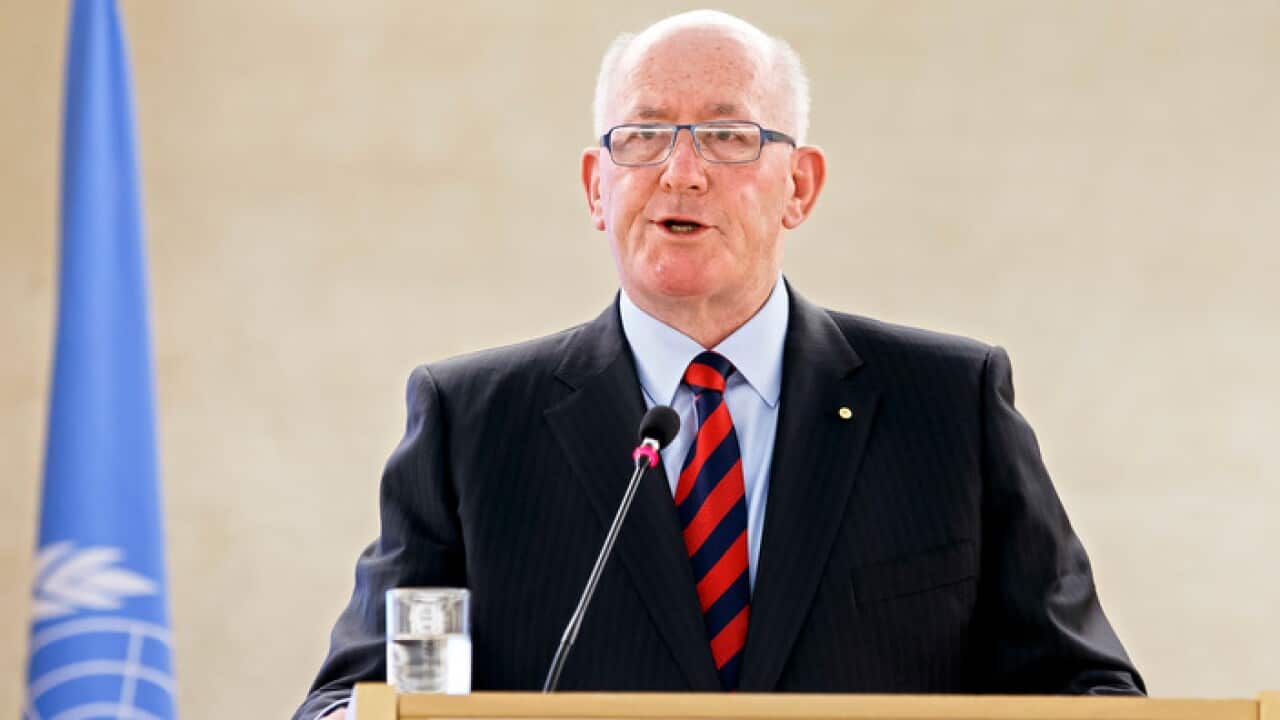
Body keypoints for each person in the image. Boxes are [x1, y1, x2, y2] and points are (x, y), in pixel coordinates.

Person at [294, 10, 1144, 720]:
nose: (682, 171)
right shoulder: (472, 422)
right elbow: (352, 700)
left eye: (729, 136)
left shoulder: (948, 407)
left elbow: (1088, 687)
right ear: (597, 186)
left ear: (800, 186)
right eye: (645, 137)